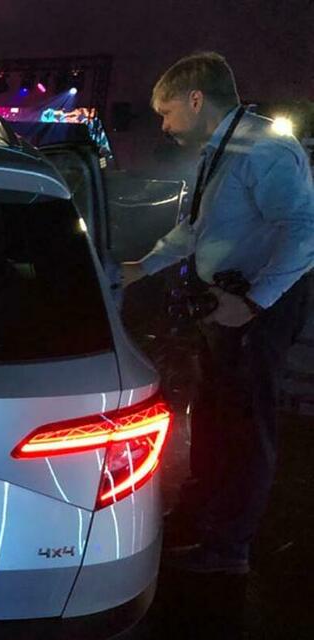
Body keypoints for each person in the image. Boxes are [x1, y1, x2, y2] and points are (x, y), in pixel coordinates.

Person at [122, 52, 314, 574]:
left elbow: (304, 233)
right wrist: (142, 267)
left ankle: (228, 548)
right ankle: (198, 521)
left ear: (195, 99)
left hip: (257, 306)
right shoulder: (223, 149)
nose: (163, 126)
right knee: (212, 416)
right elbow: (196, 229)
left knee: (244, 427)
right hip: (232, 303)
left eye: (166, 113)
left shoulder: (266, 149)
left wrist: (252, 303)